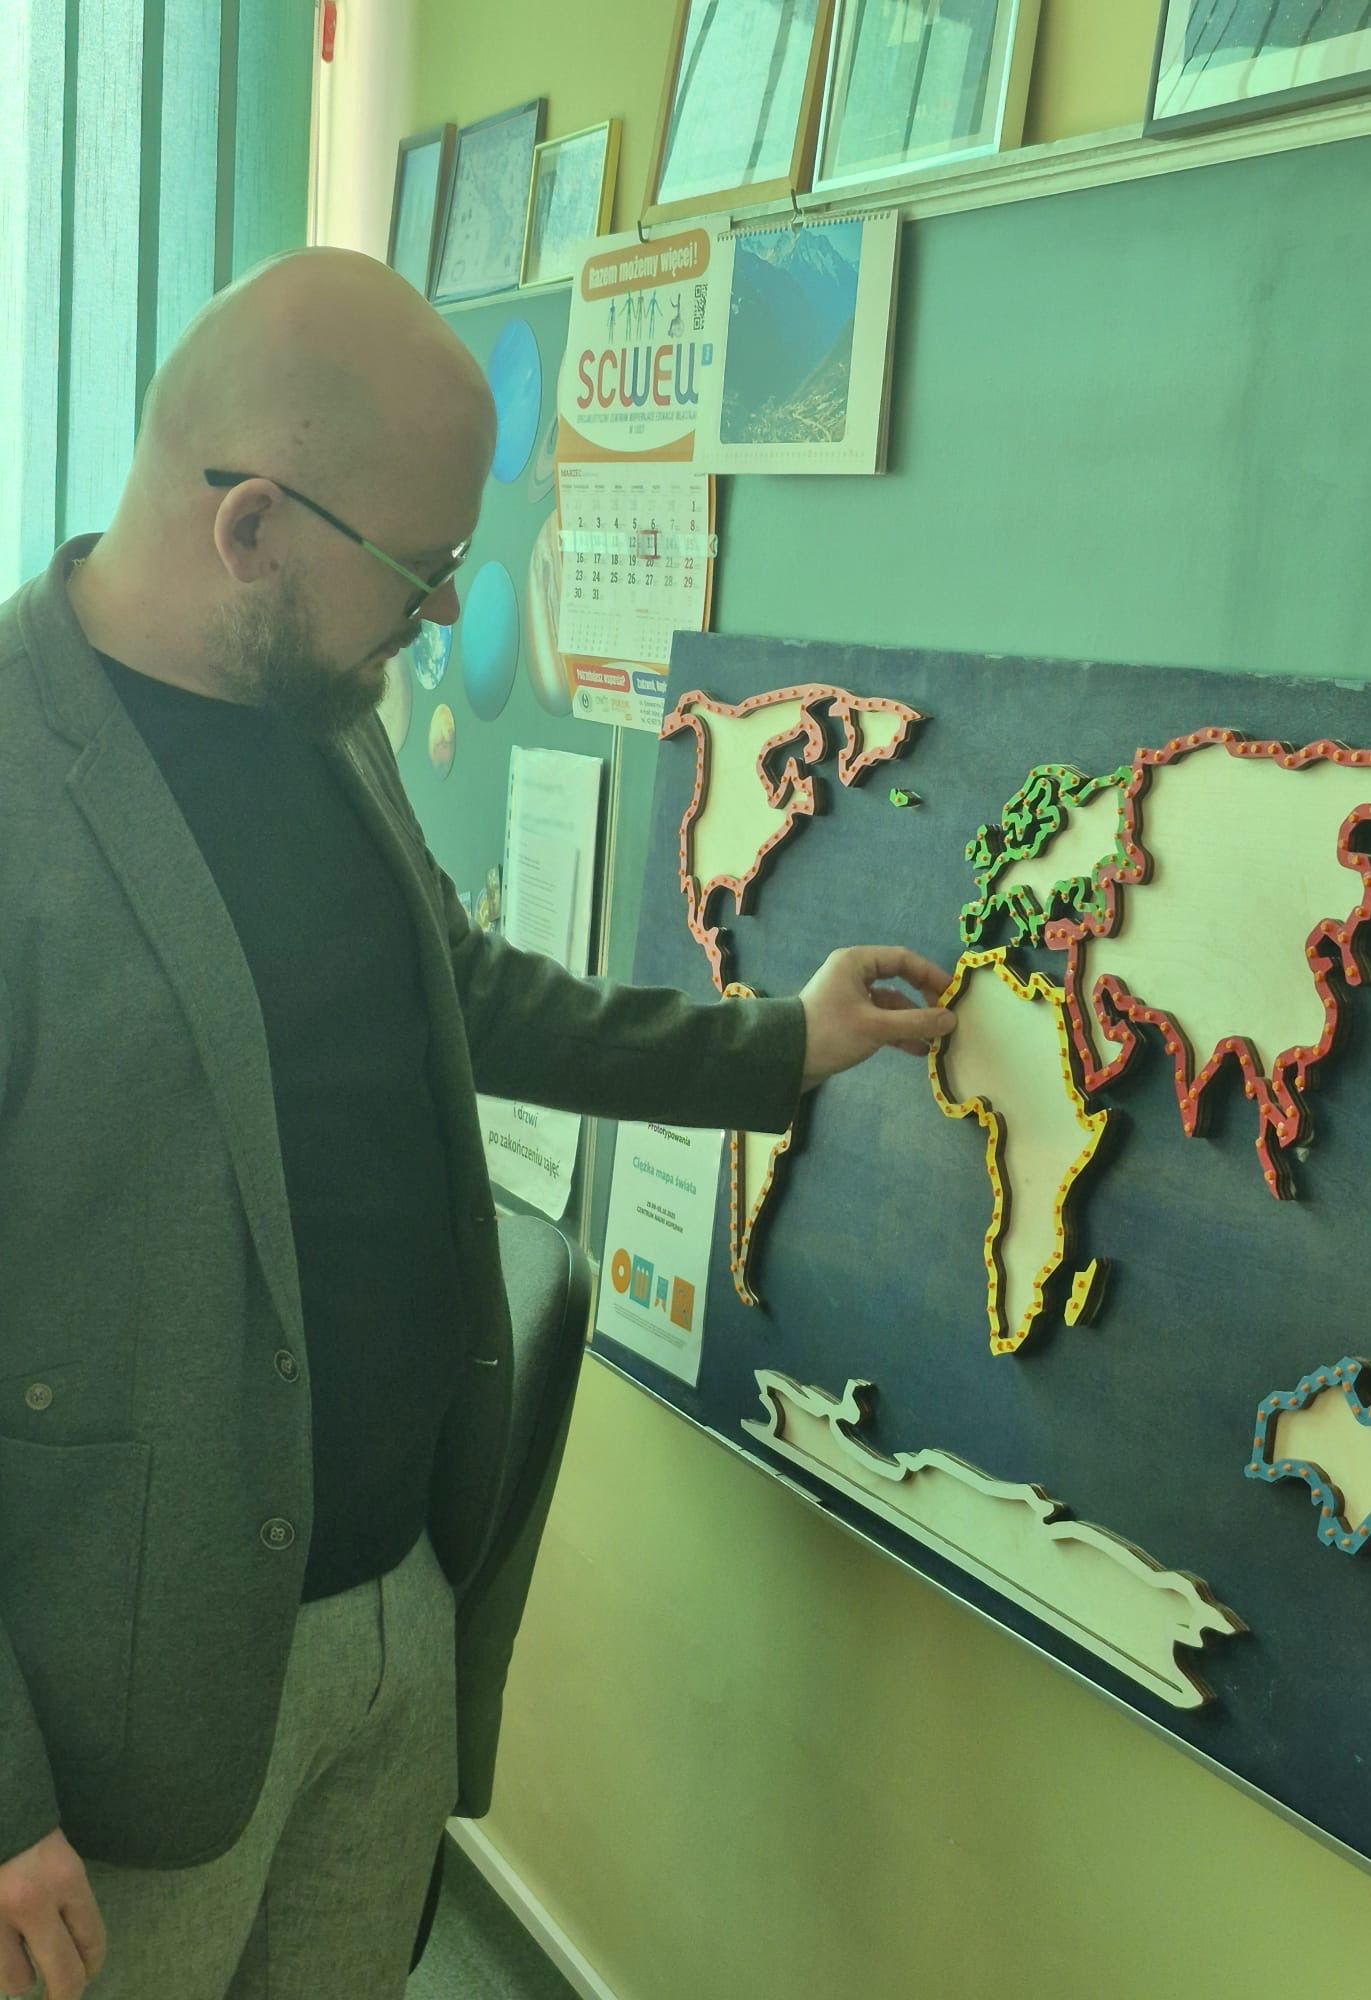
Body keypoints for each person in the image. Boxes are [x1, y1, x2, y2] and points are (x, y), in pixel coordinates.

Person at [0, 246, 955, 2000]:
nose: (441, 616)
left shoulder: (318, 709)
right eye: (421, 572)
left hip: (397, 1614)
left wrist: (779, 1045)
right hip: (120, 1723)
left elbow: (465, 991)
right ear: (252, 527)